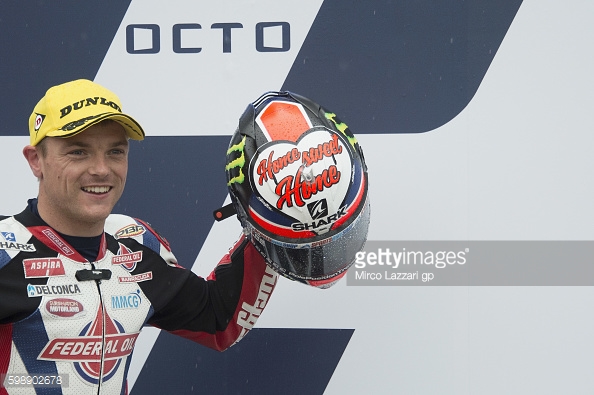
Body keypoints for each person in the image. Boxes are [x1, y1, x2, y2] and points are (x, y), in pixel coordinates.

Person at [0, 79, 278, 394]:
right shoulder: (3, 250)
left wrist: (271, 225)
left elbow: (219, 321)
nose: (102, 169)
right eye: (78, 152)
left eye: (115, 151)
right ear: (36, 160)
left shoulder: (137, 243)